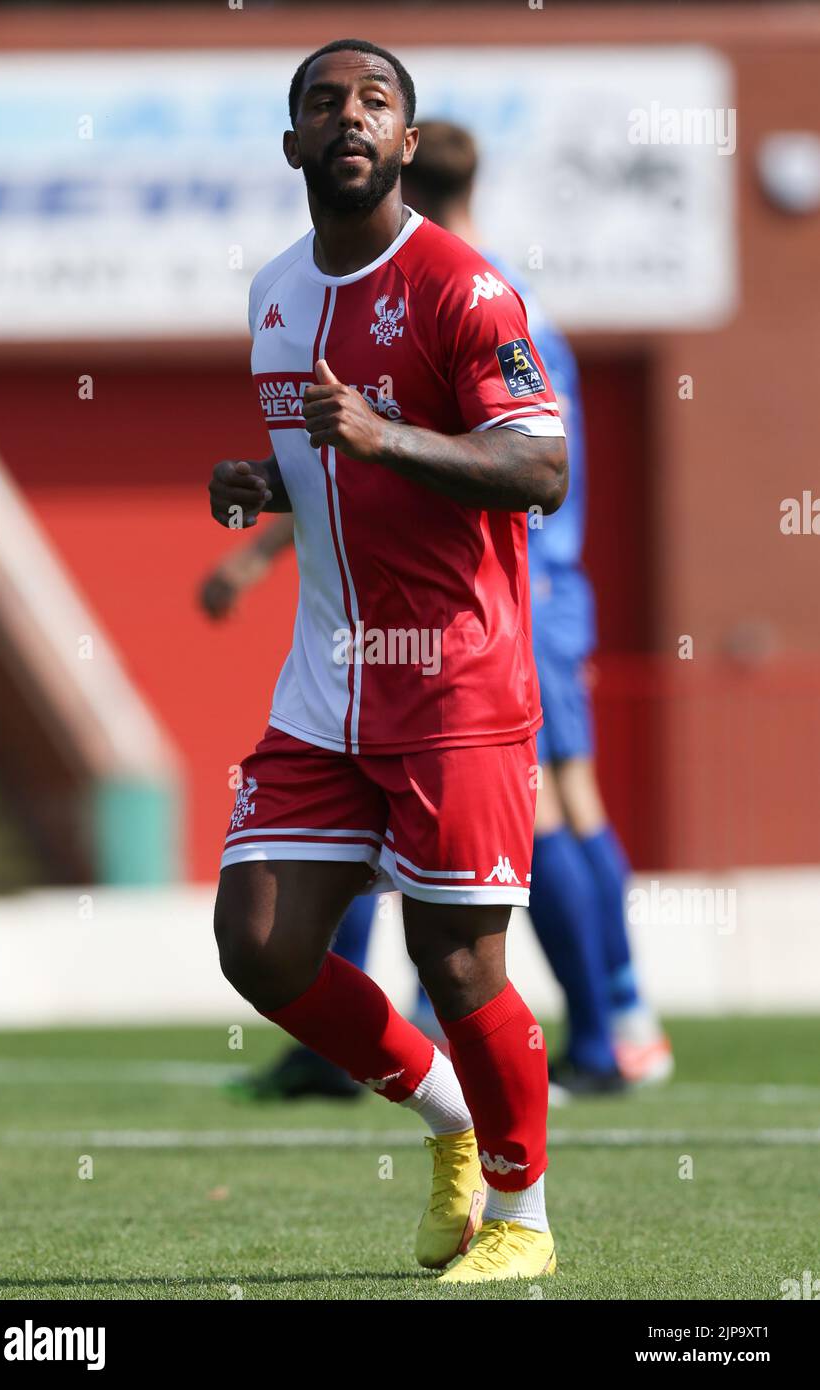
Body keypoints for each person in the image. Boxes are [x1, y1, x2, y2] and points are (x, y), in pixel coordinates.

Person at [203, 117, 672, 1103]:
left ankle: (601, 1027)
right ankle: (590, 1025)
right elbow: (354, 458)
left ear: (409, 156)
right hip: (496, 602)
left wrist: (262, 552)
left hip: (496, 599)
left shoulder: (468, 293)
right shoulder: (375, 290)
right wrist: (265, 522)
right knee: (533, 805)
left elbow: (513, 462)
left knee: (537, 815)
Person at [207, 39, 567, 1284]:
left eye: (375, 103)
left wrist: (375, 429)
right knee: (258, 945)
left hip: (454, 681)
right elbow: (338, 476)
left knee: (455, 960)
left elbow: (539, 469)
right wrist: (274, 484)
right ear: (295, 144)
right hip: (323, 684)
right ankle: (451, 1125)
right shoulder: (268, 293)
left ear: (405, 144)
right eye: (323, 103)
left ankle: (522, 1217)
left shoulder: (466, 289)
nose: (348, 117)